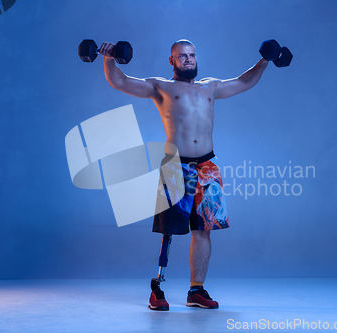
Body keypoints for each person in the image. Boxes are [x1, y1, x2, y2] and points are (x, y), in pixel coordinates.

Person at [99, 39, 270, 310]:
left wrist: (264, 61)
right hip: (176, 165)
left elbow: (244, 82)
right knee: (169, 230)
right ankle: (158, 288)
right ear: (172, 61)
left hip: (207, 166)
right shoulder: (160, 87)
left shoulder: (210, 87)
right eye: (182, 56)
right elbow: (119, 82)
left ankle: (196, 290)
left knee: (204, 230)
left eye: (191, 55)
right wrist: (108, 58)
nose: (188, 59)